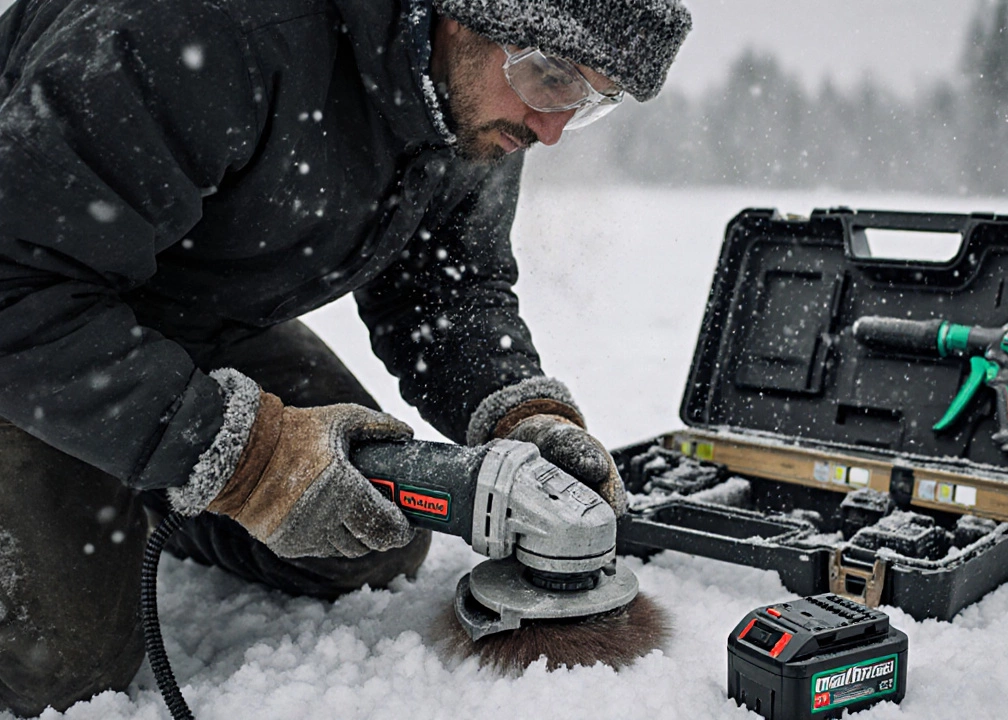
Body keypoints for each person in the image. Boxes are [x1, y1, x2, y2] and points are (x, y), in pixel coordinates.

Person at [0, 0, 691, 713]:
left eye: (586, 102)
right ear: (461, 13)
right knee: (62, 663)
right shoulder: (204, 29)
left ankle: (139, 468)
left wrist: (520, 409)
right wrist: (245, 456)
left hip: (184, 313)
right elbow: (17, 280)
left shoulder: (477, 106)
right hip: (35, 307)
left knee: (363, 530)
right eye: (552, 78)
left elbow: (447, 290)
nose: (551, 130)